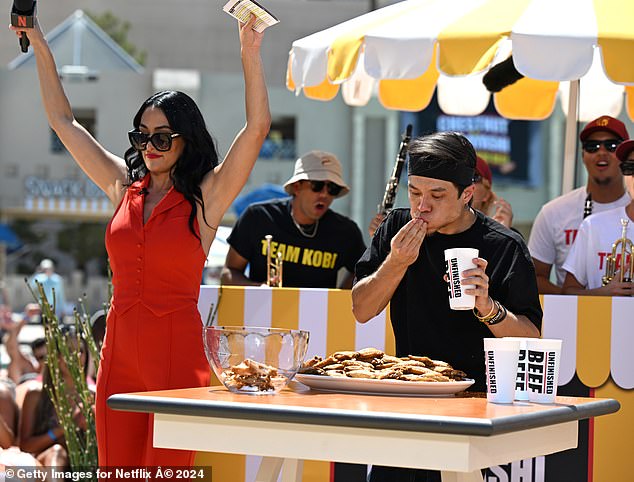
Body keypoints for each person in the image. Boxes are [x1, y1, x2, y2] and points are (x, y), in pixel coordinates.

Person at [11, 9, 270, 470]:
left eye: (163, 137)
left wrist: (249, 52)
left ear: (186, 140)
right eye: (142, 136)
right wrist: (39, 41)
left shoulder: (206, 197)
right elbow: (63, 121)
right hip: (118, 353)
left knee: (166, 474)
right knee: (117, 471)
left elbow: (256, 130)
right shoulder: (121, 187)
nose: (150, 146)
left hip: (176, 354)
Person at [352, 132, 542, 482]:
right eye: (415, 193)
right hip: (407, 396)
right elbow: (362, 309)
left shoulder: (503, 246)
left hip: (476, 405)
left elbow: (531, 338)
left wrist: (489, 308)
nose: (422, 206)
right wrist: (396, 262)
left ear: (468, 193)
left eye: (437, 195)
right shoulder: (397, 227)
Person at [222, 151, 366, 288]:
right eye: (317, 185)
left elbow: (364, 271)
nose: (324, 194)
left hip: (317, 314)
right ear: (297, 187)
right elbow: (229, 272)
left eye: (333, 188)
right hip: (264, 311)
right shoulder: (258, 217)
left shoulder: (346, 231)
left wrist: (342, 297)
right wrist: (258, 290)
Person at [528, 116, 631, 294]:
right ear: (582, 155)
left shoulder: (630, 210)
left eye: (612, 145)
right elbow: (533, 278)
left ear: (624, 157)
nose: (601, 152)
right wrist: (575, 297)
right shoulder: (553, 212)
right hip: (574, 318)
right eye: (592, 146)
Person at [367, 154, 514, 237]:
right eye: (415, 192)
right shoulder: (421, 227)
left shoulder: (507, 236)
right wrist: (383, 242)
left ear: (487, 193)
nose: (424, 206)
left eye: (474, 177)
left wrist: (501, 236)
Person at [562, 140, 634, 295]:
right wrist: (604, 292)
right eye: (630, 168)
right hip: (601, 319)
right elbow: (569, 292)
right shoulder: (593, 225)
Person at [472, 155, 514, 228]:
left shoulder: (500, 235)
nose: (464, 183)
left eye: (474, 177)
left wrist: (501, 235)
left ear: (486, 195)